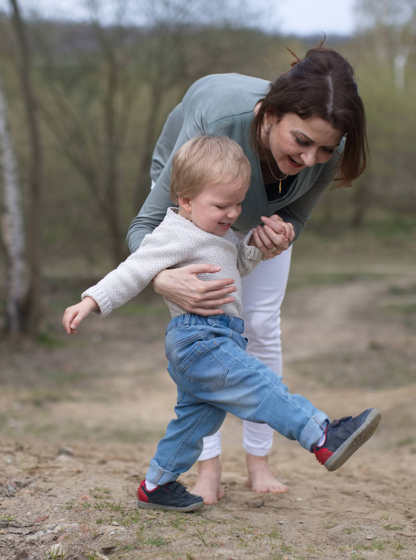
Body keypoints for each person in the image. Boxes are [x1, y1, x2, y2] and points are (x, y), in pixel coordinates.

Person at [63, 135, 380, 512]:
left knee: (195, 422)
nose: (232, 214)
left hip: (212, 341)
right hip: (200, 338)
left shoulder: (216, 232)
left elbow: (236, 270)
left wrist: (256, 248)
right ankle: (322, 435)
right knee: (262, 385)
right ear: (185, 200)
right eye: (222, 205)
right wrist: (92, 300)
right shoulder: (173, 233)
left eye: (238, 203)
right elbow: (134, 269)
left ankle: (157, 484)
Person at [127, 42, 369, 504]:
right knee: (206, 337)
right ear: (272, 113)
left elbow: (296, 216)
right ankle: (207, 469)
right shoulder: (218, 122)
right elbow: (143, 227)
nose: (310, 159)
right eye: (300, 141)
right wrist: (161, 278)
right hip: (202, 201)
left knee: (259, 326)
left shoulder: (324, 149)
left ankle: (259, 460)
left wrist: (283, 235)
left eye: (325, 149)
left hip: (259, 217)